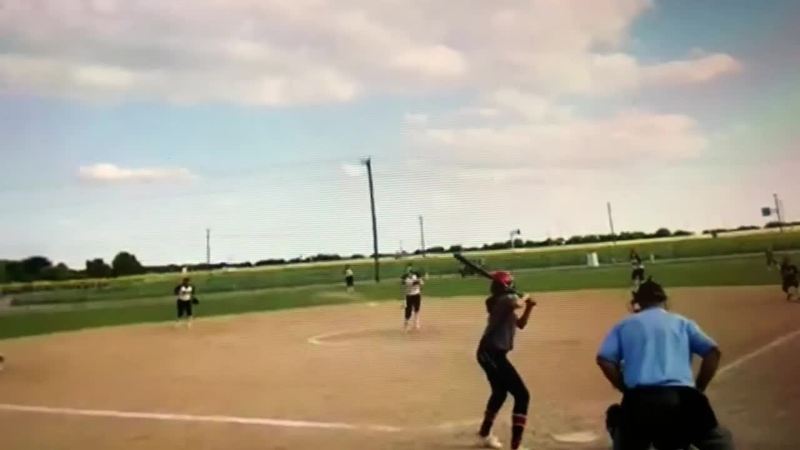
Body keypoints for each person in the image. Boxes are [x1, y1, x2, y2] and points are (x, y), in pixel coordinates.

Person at [597, 278, 734, 450]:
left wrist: (623, 387)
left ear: (637, 302)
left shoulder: (624, 325)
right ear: (664, 300)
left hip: (639, 400)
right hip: (684, 397)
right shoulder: (682, 322)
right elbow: (713, 352)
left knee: (619, 423)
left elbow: (604, 359)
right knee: (720, 443)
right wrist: (698, 389)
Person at [475, 271, 536, 450]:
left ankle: (484, 433)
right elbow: (517, 302)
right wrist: (526, 297)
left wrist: (529, 307)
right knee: (522, 395)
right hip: (490, 353)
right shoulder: (504, 301)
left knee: (500, 392)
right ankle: (516, 446)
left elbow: (521, 324)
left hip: (492, 353)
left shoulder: (503, 303)